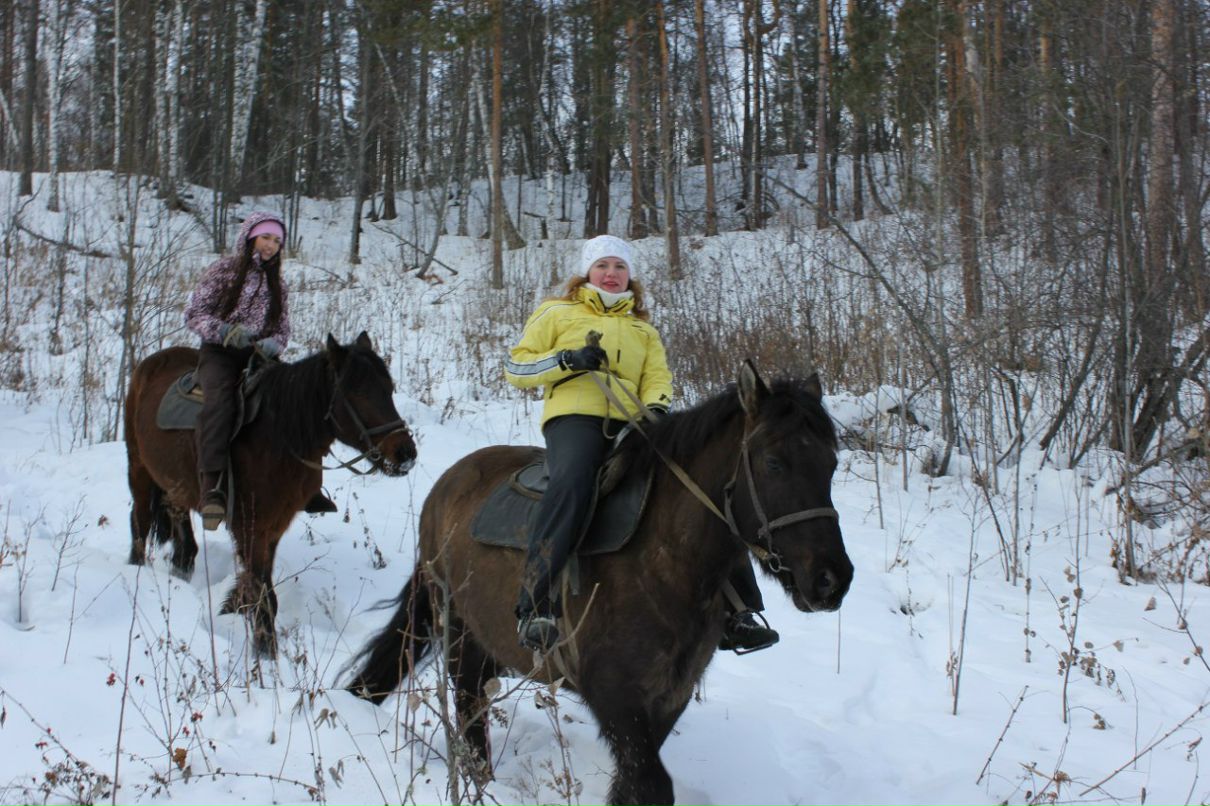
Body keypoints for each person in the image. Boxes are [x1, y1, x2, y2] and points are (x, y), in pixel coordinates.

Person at [504, 234, 779, 653]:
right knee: (574, 484)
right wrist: (568, 361)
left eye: (619, 267)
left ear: (630, 276)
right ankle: (536, 604)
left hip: (635, 424)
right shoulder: (557, 313)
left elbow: (658, 378)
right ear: (587, 272)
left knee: (698, 486)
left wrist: (656, 413)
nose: (611, 274)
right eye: (603, 266)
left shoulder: (642, 329)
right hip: (576, 419)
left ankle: (738, 611)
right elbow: (516, 366)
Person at [184, 211, 335, 530]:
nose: (271, 246)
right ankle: (212, 487)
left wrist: (273, 345)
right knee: (221, 404)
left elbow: (283, 330)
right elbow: (194, 313)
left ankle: (310, 484)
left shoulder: (277, 283)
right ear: (251, 236)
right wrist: (223, 331)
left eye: (277, 241)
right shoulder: (223, 270)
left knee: (300, 400)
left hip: (258, 356)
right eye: (267, 237)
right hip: (220, 353)